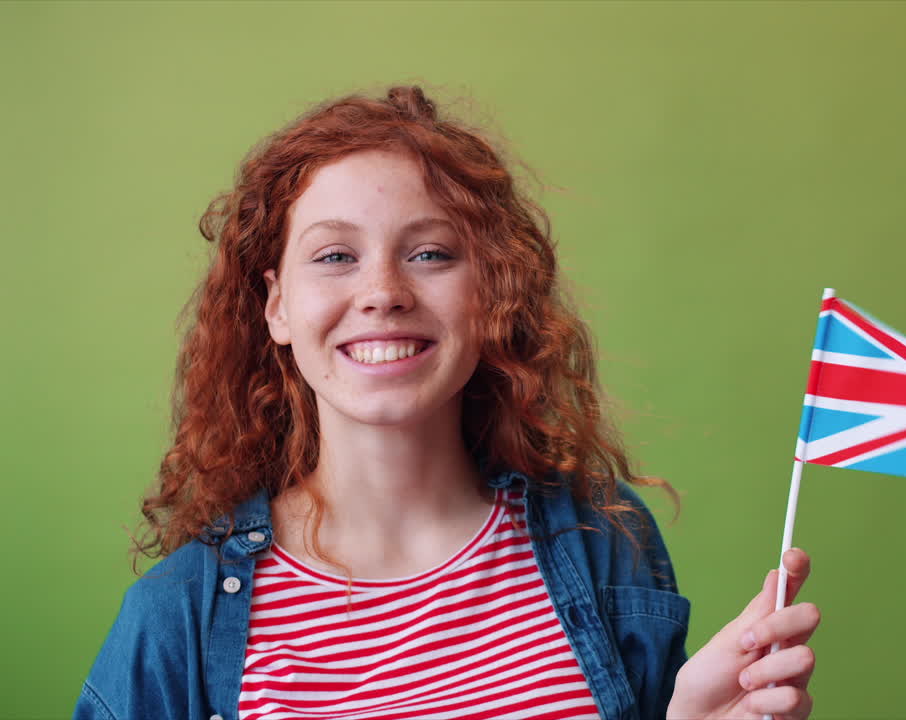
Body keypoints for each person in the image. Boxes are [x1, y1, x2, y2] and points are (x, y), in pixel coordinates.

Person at [75, 85, 820, 720]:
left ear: (489, 292)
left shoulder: (604, 541)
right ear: (276, 307)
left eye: (430, 253)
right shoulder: (178, 618)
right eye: (335, 256)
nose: (383, 293)